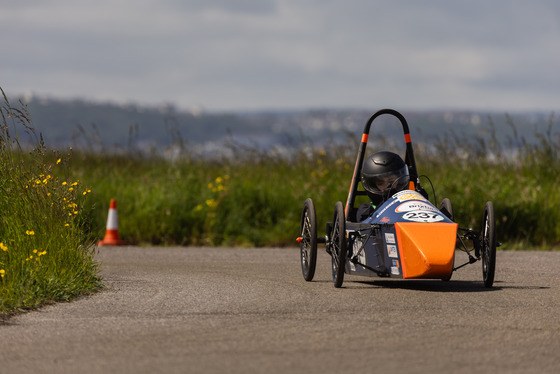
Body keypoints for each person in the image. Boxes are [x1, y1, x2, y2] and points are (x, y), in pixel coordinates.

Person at [356, 151, 410, 221]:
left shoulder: (408, 202)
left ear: (399, 180)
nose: (388, 186)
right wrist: (385, 202)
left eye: (391, 181)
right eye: (381, 184)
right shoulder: (366, 208)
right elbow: (364, 223)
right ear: (374, 186)